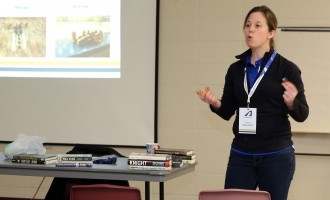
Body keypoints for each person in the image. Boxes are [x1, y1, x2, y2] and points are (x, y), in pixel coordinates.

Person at [197, 5, 309, 200]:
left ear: (271, 33)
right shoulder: (235, 69)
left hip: (276, 155)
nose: (250, 30)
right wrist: (214, 102)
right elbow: (227, 111)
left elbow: (302, 114)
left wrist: (292, 103)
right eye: (248, 25)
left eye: (258, 25)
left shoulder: (287, 69)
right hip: (242, 153)